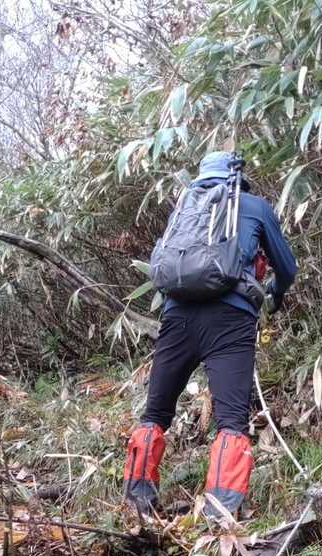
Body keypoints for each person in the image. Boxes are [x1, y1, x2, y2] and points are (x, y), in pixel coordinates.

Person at [122, 151, 297, 519]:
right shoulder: (255, 206)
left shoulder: (184, 207)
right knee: (231, 420)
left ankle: (137, 503)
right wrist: (275, 295)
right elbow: (287, 268)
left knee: (155, 412)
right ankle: (219, 514)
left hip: (177, 319)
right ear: (238, 178)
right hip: (231, 322)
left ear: (201, 177)